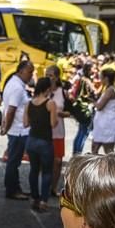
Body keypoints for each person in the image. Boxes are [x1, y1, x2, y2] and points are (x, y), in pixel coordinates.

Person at [24, 77, 57, 212]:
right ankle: (43, 201)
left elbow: (25, 123)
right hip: (45, 141)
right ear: (48, 89)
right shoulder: (50, 103)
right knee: (47, 172)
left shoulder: (29, 103)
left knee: (34, 170)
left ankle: (34, 197)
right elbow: (53, 123)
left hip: (31, 140)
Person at [1, 60, 34, 200]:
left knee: (14, 161)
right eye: (29, 72)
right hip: (18, 131)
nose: (31, 75)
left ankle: (15, 188)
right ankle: (12, 190)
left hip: (17, 130)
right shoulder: (17, 87)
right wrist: (6, 128)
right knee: (13, 161)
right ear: (20, 71)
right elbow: (11, 110)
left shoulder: (16, 84)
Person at [45, 65, 70, 196]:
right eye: (46, 75)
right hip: (45, 131)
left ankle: (53, 187)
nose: (48, 78)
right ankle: (44, 186)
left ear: (57, 77)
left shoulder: (63, 92)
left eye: (50, 75)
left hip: (58, 131)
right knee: (45, 161)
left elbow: (69, 112)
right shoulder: (43, 91)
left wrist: (60, 113)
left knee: (58, 161)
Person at [91, 68, 115, 154]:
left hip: (107, 123)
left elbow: (100, 106)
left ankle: (113, 167)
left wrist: (92, 101)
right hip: (102, 123)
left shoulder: (110, 90)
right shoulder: (108, 89)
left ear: (106, 78)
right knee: (94, 148)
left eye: (101, 78)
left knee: (108, 151)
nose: (100, 80)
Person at [71, 61, 96, 155]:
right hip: (86, 108)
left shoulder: (81, 79)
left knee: (80, 131)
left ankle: (75, 153)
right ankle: (78, 154)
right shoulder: (88, 81)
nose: (95, 70)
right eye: (93, 68)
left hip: (79, 108)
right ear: (89, 69)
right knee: (84, 133)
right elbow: (93, 93)